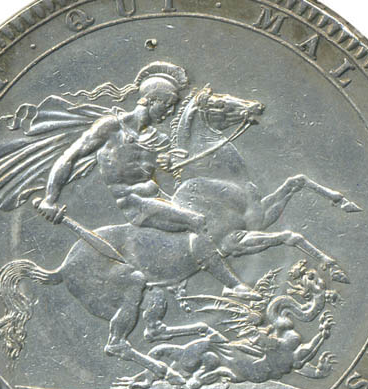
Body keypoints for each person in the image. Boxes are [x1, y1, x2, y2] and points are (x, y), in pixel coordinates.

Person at [35, 62, 259, 300]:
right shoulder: (111, 127)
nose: (170, 112)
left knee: (213, 218)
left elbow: (165, 174)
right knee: (197, 221)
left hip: (159, 198)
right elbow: (69, 157)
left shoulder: (156, 138)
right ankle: (232, 286)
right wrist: (50, 198)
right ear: (151, 100)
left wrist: (168, 164)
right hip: (136, 204)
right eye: (168, 105)